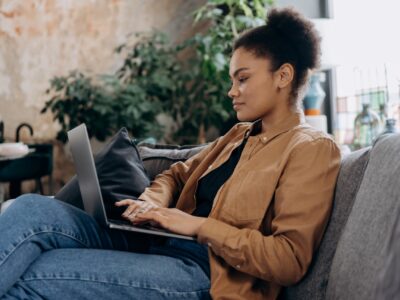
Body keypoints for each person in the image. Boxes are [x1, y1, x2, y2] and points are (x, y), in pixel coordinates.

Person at [0, 7, 340, 300]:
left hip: (204, 276)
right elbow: (176, 173)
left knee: (33, 275)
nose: (231, 91)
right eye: (232, 80)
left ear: (283, 75)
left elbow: (289, 260)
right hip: (158, 245)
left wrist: (195, 225)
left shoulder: (311, 149)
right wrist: (153, 202)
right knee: (30, 207)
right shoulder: (239, 136)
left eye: (243, 79)